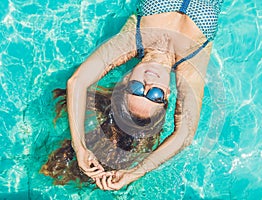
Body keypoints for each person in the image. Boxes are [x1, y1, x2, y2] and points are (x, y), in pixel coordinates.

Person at [63, 0, 221, 190]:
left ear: (126, 79)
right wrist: (136, 172)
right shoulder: (191, 61)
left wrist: (79, 146)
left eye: (137, 89)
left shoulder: (132, 40)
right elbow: (185, 134)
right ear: (167, 95)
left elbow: (77, 82)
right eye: (154, 95)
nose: (148, 84)